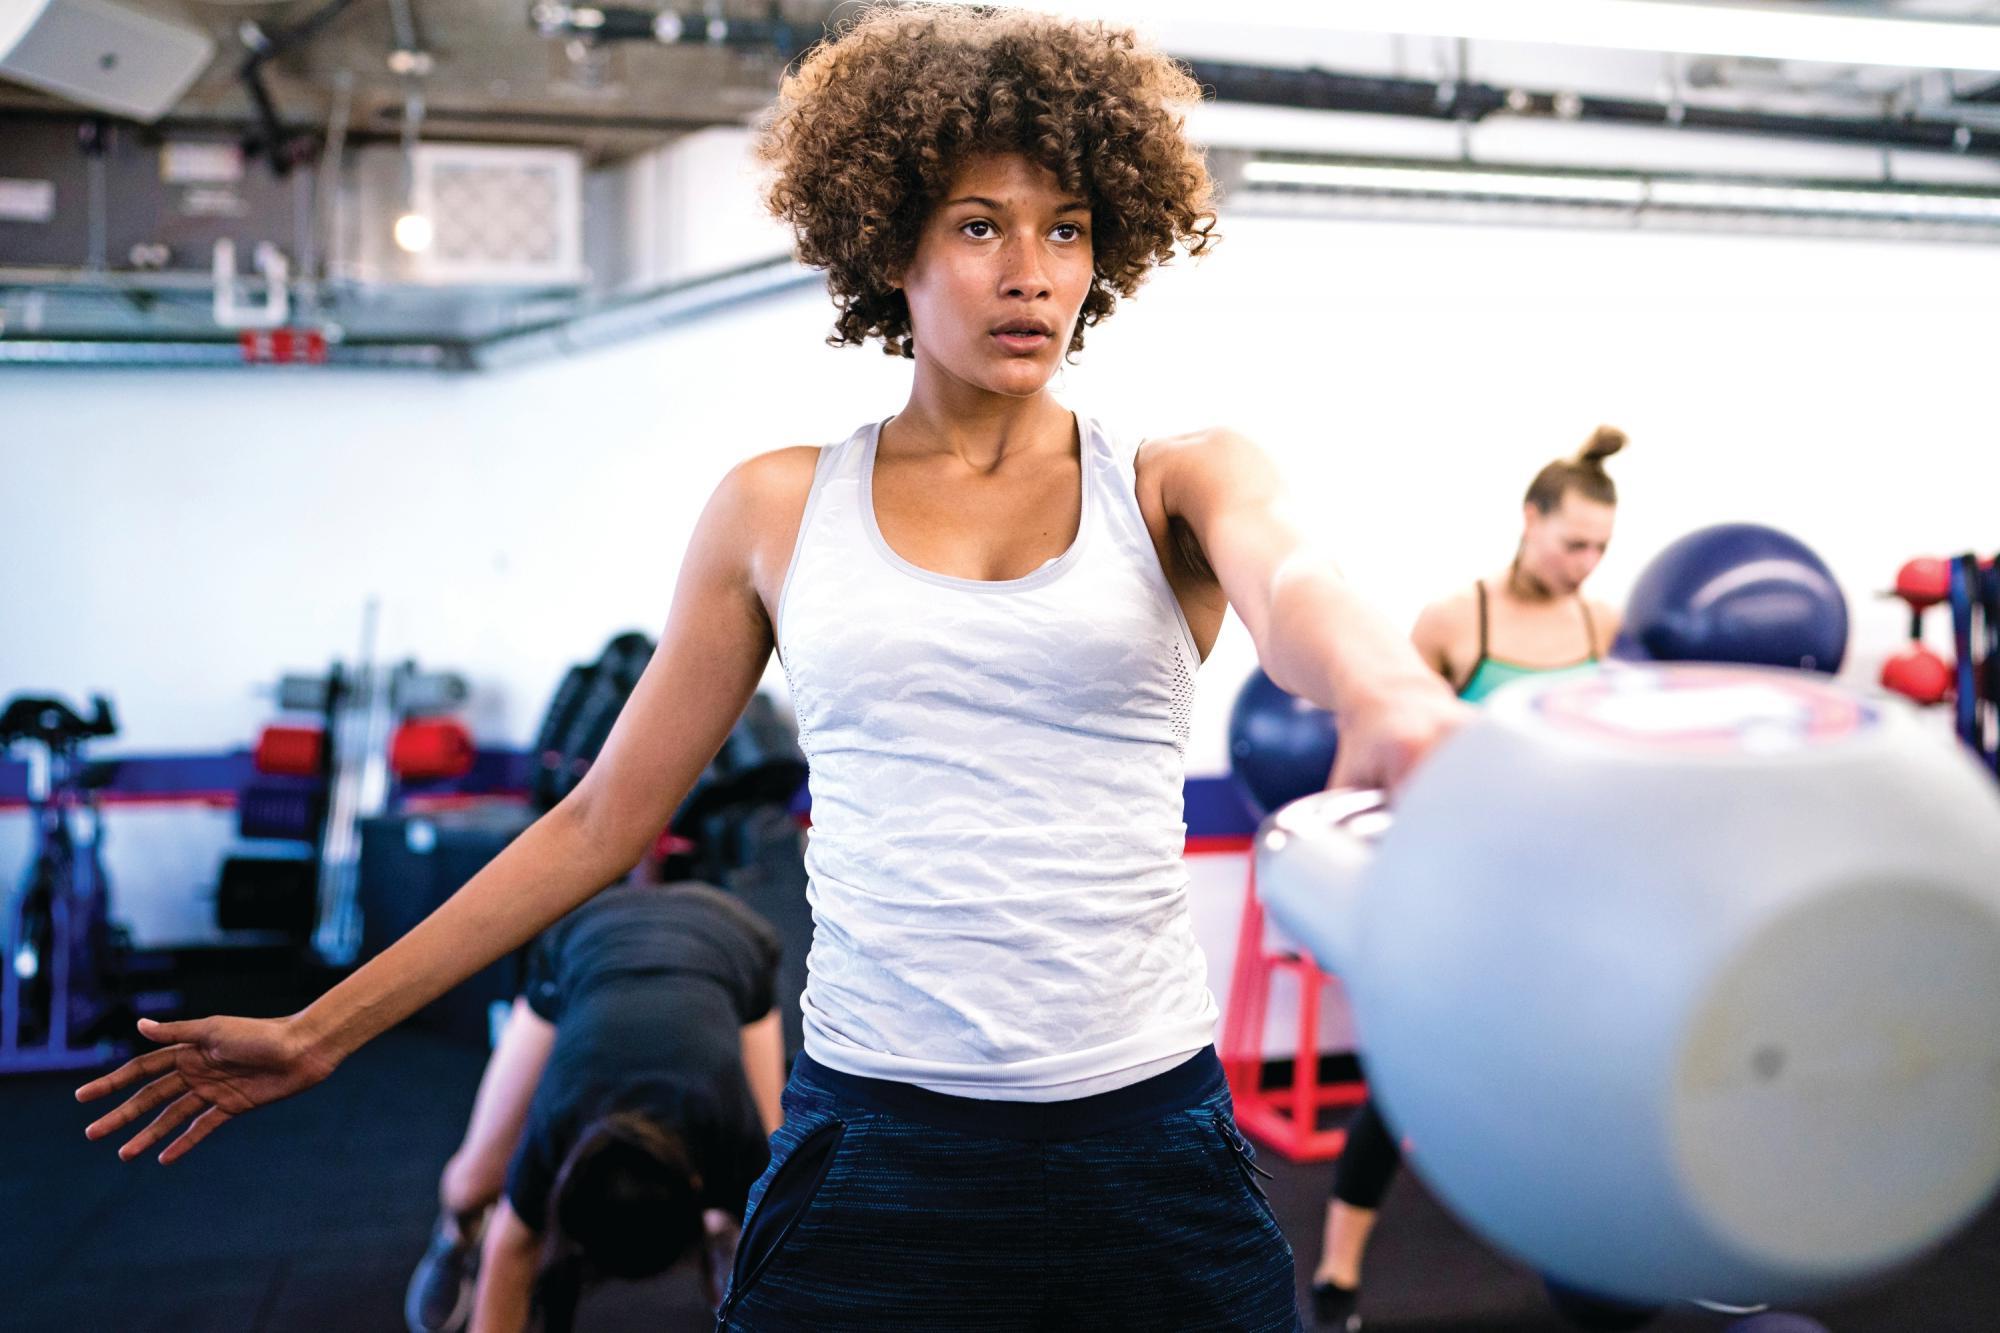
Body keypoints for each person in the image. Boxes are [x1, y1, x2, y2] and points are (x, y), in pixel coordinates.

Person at [79, 8, 1464, 1328]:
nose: (1031, 269)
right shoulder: (777, 509)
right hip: (879, 1145)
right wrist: (327, 1028)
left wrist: (1392, 693)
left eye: (1067, 228)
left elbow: (1297, 586)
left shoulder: (1177, 479)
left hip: (1147, 1135)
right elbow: (600, 820)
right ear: (890, 243)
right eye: (979, 225)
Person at [1310, 426, 1626, 1329]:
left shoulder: (1602, 623)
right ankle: (1336, 1277)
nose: (1586, 563)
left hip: (1568, 900)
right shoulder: (1457, 620)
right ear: (1530, 520)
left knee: (1586, 1082)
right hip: (1464, 895)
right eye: (1573, 542)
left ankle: (1595, 1266)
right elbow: (1381, 742)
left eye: (1601, 548)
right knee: (1402, 1087)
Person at [404, 874, 785, 1333]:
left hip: (729, 942)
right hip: (588, 942)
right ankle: (455, 1238)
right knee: (472, 1185)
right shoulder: (558, 1123)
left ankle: (729, 1238)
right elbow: (513, 1252)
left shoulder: (731, 1131)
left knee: (767, 1198)